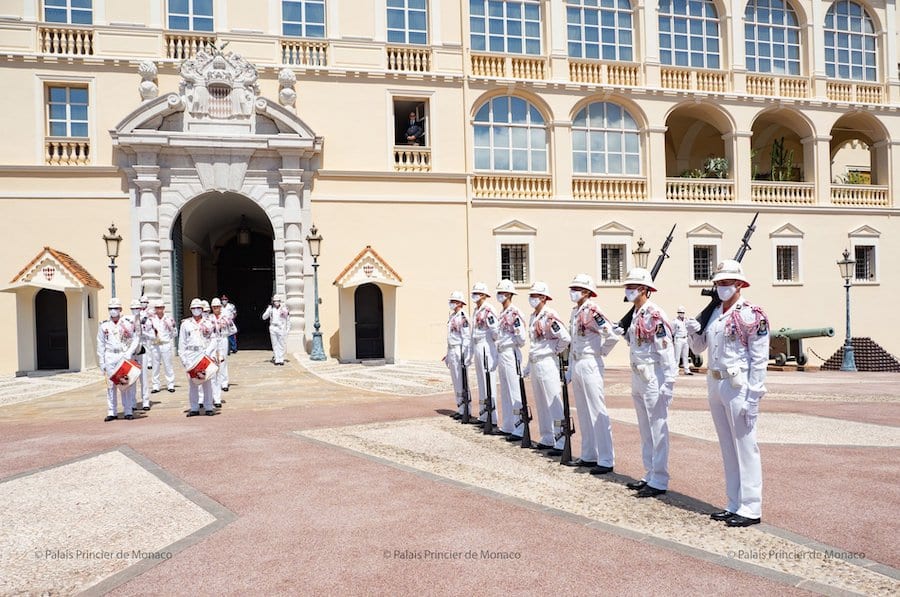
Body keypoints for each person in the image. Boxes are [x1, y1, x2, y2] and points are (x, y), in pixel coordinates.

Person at [686, 259, 769, 527]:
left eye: (726, 283)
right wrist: (690, 333)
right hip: (715, 382)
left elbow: (759, 359)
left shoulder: (751, 314)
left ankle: (751, 506)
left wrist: (754, 395)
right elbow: (700, 348)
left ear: (740, 284)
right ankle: (734, 502)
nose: (722, 287)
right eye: (718, 283)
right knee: (727, 447)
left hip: (738, 385)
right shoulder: (713, 313)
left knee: (745, 446)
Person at [620, 268, 677, 498]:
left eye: (632, 286)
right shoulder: (636, 313)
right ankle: (650, 472)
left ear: (644, 289)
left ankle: (660, 479)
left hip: (653, 376)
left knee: (657, 427)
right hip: (638, 375)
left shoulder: (654, 314)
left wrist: (669, 381)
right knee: (644, 428)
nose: (628, 290)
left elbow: (665, 348)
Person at [568, 274, 619, 473]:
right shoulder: (576, 312)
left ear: (587, 292)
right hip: (578, 362)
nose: (573, 292)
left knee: (597, 411)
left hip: (590, 362)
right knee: (582, 411)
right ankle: (589, 454)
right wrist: (571, 368)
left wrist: (600, 352)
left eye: (577, 288)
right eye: (573, 288)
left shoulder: (593, 310)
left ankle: (606, 459)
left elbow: (611, 335)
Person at [522, 282, 570, 453]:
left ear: (543, 297)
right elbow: (534, 344)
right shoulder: (533, 317)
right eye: (531, 295)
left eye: (535, 296)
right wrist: (528, 366)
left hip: (547, 362)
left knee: (552, 400)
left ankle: (561, 438)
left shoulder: (550, 315)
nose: (532, 298)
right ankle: (547, 436)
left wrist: (553, 351)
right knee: (541, 401)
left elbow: (564, 338)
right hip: (535, 362)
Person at [97, 298, 139, 421]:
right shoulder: (104, 325)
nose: (113, 311)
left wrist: (129, 352)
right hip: (110, 356)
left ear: (120, 310)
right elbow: (100, 344)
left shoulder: (127, 323)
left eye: (115, 308)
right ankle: (112, 411)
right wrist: (101, 361)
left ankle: (128, 410)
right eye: (110, 308)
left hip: (122, 355)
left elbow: (136, 338)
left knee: (125, 383)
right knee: (110, 385)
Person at [494, 280, 527, 438]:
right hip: (502, 352)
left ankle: (519, 428)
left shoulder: (514, 313)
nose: (499, 295)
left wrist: (513, 345)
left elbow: (521, 337)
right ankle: (508, 425)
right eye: (498, 292)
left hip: (511, 352)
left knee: (515, 392)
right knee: (505, 391)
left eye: (502, 293)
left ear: (508, 294)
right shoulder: (502, 313)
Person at [178, 298, 218, 416]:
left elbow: (214, 339)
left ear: (202, 309)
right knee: (192, 383)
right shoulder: (185, 324)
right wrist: (184, 360)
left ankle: (208, 407)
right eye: (194, 308)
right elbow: (182, 343)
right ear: (191, 310)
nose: (196, 310)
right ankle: (194, 407)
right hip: (191, 355)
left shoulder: (208, 322)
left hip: (204, 353)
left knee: (207, 381)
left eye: (199, 308)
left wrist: (208, 352)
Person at [469, 282, 499, 427]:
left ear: (483, 295)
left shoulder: (488, 310)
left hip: (486, 345)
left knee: (489, 382)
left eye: (477, 293)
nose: (474, 295)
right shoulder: (476, 310)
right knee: (481, 381)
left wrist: (490, 345)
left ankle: (492, 417)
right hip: (477, 345)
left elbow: (495, 331)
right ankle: (483, 414)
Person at [444, 291, 471, 419]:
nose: (451, 303)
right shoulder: (452, 316)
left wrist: (465, 354)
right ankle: (460, 407)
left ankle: (466, 408)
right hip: (452, 349)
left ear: (460, 303)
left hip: (459, 349)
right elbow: (450, 337)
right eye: (451, 301)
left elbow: (466, 337)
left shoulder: (463, 316)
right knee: (456, 380)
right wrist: (447, 353)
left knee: (462, 380)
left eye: (454, 301)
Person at [128, 299, 153, 411]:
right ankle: (133, 402)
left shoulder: (146, 320)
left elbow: (153, 335)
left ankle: (146, 401)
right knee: (132, 377)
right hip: (131, 351)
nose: (135, 311)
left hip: (142, 349)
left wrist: (143, 333)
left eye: (137, 308)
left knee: (143, 377)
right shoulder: (127, 321)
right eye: (133, 309)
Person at [149, 299, 176, 393]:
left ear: (164, 308)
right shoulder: (151, 319)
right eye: (157, 308)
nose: (159, 310)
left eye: (160, 308)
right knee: (155, 366)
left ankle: (170, 384)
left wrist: (167, 337)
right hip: (155, 344)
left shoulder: (169, 319)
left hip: (165, 344)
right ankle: (155, 385)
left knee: (168, 365)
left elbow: (174, 333)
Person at [209, 298, 232, 407]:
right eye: (214, 307)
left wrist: (225, 331)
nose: (216, 309)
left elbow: (234, 329)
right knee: (214, 364)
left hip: (223, 339)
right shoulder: (209, 318)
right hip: (213, 341)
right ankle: (214, 394)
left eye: (217, 307)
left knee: (223, 362)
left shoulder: (226, 317)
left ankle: (224, 382)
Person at [262, 294, 290, 365]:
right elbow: (264, 317)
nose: (276, 302)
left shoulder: (284, 309)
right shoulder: (271, 309)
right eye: (275, 301)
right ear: (273, 301)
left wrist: (287, 329)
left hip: (281, 328)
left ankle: (281, 358)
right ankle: (277, 359)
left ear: (280, 301)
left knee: (281, 343)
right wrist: (268, 310)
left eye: (278, 301)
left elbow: (288, 319)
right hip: (273, 327)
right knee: (275, 344)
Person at [672, 306, 693, 375]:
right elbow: (673, 331)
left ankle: (687, 370)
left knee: (685, 355)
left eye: (683, 312)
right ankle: (675, 371)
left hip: (685, 339)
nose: (681, 314)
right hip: (678, 339)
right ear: (678, 313)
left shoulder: (686, 320)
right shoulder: (675, 321)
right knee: (677, 356)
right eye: (680, 312)